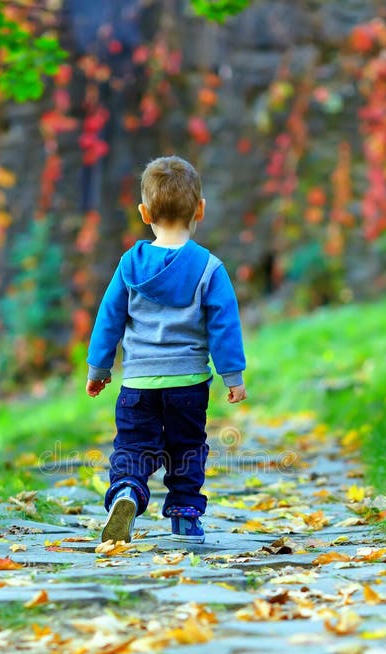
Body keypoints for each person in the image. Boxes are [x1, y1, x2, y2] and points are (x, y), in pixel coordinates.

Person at [86, 155, 247, 545]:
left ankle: (127, 490)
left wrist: (98, 369)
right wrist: (233, 375)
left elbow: (109, 319)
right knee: (187, 447)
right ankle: (185, 516)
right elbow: (223, 324)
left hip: (139, 381)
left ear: (144, 212)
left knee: (133, 445)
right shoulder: (209, 268)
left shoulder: (129, 265)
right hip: (188, 383)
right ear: (200, 210)